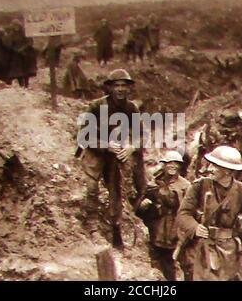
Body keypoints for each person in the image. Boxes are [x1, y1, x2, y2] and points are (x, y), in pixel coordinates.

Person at [76, 69, 146, 249]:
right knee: (91, 187)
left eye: (124, 85)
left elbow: (140, 135)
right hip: (95, 150)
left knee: (116, 191)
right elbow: (83, 136)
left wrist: (131, 147)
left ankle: (116, 230)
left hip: (115, 155)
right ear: (110, 88)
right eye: (117, 85)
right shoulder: (96, 106)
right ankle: (92, 226)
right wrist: (105, 145)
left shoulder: (131, 108)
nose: (121, 89)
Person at [176, 146, 242, 281]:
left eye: (215, 165)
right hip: (204, 248)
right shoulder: (199, 186)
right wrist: (195, 227)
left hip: (232, 253)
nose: (209, 168)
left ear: (227, 171)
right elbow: (183, 214)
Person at [136, 150, 190, 280]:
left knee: (173, 262)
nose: (172, 166)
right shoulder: (154, 184)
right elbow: (139, 209)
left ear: (180, 166)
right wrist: (143, 206)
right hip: (158, 227)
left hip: (176, 228)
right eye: (169, 163)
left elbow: (190, 209)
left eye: (176, 164)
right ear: (164, 165)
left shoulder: (185, 186)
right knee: (156, 259)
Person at [3, 19, 37, 88]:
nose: (15, 27)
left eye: (17, 26)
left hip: (26, 53)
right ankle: (21, 85)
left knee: (27, 69)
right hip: (16, 54)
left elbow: (30, 42)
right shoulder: (12, 34)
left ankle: (26, 84)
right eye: (14, 26)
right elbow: (9, 44)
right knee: (18, 71)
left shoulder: (25, 33)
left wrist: (23, 48)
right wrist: (14, 49)